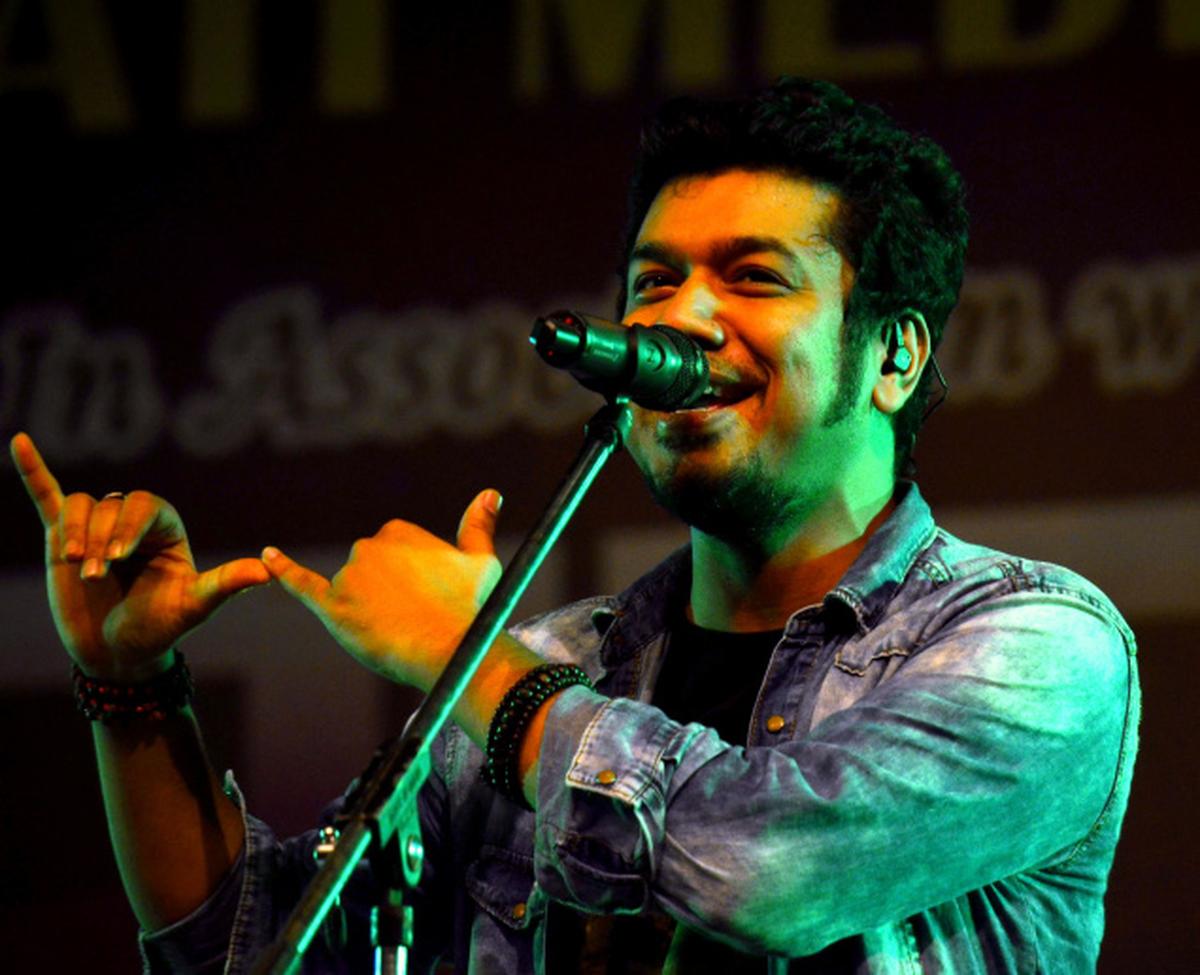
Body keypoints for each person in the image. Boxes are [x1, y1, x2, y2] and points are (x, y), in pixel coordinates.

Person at [12, 78, 1139, 973]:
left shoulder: (1037, 647)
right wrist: (131, 688)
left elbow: (761, 870)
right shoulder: (558, 662)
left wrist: (477, 668)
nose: (682, 317)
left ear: (893, 355)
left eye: (754, 277)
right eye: (653, 282)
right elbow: (259, 949)